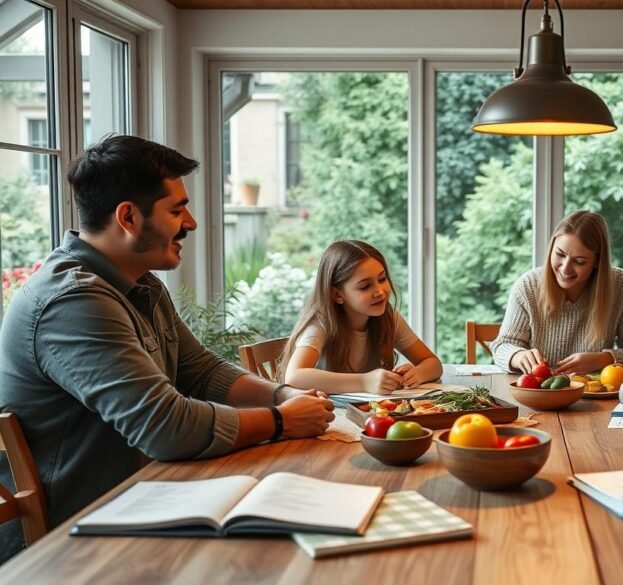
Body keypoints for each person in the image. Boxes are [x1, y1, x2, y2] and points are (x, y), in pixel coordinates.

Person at [0, 135, 335, 562]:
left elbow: (199, 370)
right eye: (177, 209)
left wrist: (281, 395)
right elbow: (165, 428)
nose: (191, 222)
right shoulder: (73, 302)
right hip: (71, 543)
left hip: (141, 505)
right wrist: (279, 421)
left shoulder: (138, 282)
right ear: (128, 217)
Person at [492, 210, 623, 376]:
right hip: (540, 393)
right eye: (560, 254)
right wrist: (518, 356)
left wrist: (602, 359)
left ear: (597, 262)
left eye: (579, 261)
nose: (565, 268)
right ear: (551, 248)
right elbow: (502, 346)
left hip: (593, 394)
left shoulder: (621, 286)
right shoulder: (528, 286)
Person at [281, 240, 443, 395]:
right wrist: (365, 382)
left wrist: (418, 374)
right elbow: (295, 377)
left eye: (382, 278)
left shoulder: (388, 317)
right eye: (365, 286)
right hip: (330, 416)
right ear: (337, 295)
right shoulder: (321, 324)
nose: (379, 291)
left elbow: (433, 363)